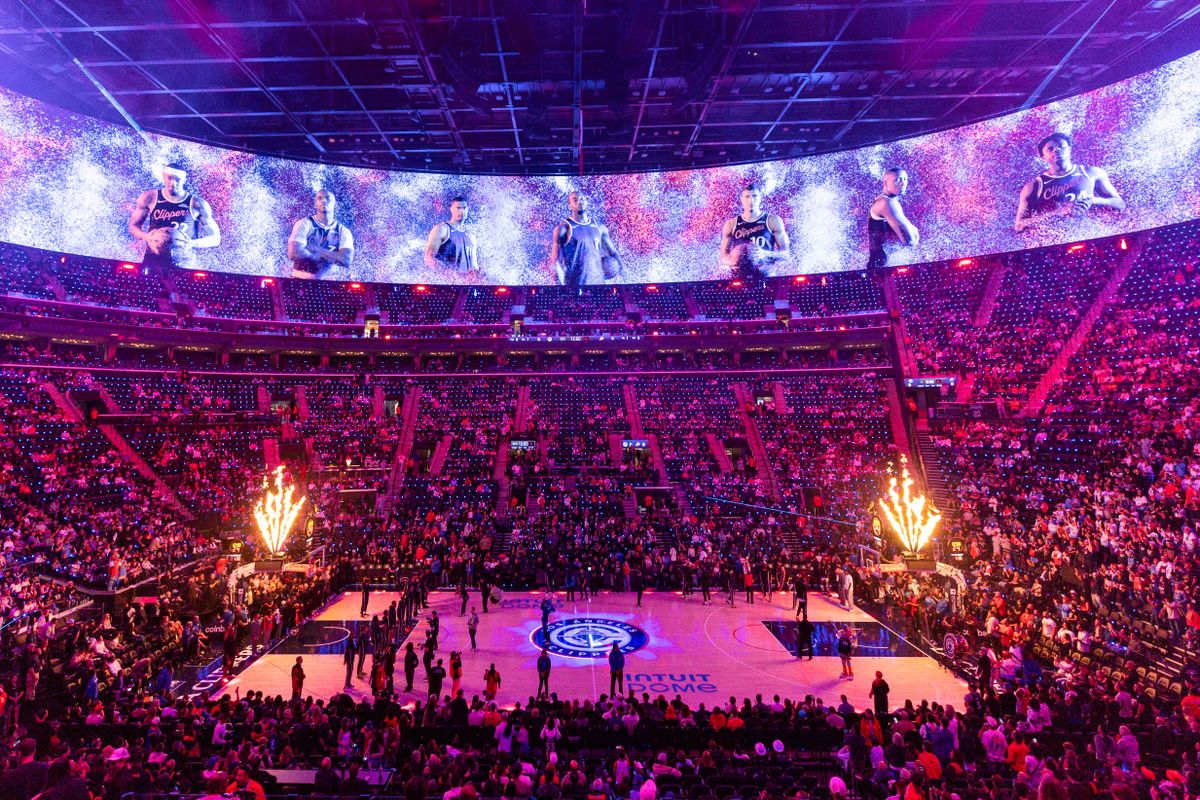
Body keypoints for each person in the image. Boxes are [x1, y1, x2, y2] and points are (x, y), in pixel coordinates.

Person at [1015, 132, 1125, 233]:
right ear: (1043, 157)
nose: (1056, 150)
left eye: (1061, 146)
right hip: (1057, 244)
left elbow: (1120, 204)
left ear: (1069, 149)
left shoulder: (1091, 172)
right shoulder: (1034, 186)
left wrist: (1092, 200)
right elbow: (1018, 226)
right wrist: (1058, 212)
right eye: (1050, 149)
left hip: (1092, 235)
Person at [128, 162, 220, 270]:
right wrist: (146, 237)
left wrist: (193, 243)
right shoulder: (150, 197)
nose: (173, 183)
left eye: (177, 179)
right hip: (154, 259)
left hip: (184, 262)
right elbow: (133, 226)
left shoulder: (197, 203)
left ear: (184, 180)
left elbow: (215, 238)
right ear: (163, 177)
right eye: (169, 178)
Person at [549, 191, 621, 285]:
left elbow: (614, 253)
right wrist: (560, 287)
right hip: (575, 287)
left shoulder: (599, 227)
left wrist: (623, 272)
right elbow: (555, 263)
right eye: (575, 200)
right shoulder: (563, 228)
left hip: (599, 285)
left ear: (587, 202)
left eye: (582, 199)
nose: (579, 201)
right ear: (569, 206)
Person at [719, 183, 790, 278]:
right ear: (741, 199)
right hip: (739, 278)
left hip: (765, 276)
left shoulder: (773, 220)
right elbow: (723, 257)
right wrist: (735, 259)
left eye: (755, 196)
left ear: (760, 198)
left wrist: (764, 254)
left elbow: (786, 254)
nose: (751, 200)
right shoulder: (731, 224)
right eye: (747, 196)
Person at [288, 188, 355, 279]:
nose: (324, 200)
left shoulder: (343, 231)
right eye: (320, 198)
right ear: (315, 204)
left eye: (327, 198)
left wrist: (318, 251)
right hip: (300, 280)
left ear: (334, 203)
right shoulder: (304, 224)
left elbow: (346, 260)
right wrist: (332, 256)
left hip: (330, 283)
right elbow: (294, 253)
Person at [866, 168, 919, 269]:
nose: (903, 183)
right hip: (882, 270)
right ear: (885, 183)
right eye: (898, 180)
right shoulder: (887, 203)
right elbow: (909, 240)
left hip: (882, 266)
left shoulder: (883, 200)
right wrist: (914, 231)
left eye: (905, 179)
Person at [424, 196, 478, 272]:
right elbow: (428, 258)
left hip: (465, 282)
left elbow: (474, 265)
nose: (461, 211)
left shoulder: (471, 235)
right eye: (458, 208)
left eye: (464, 208)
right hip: (446, 281)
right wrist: (448, 274)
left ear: (467, 210)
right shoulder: (442, 229)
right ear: (451, 209)